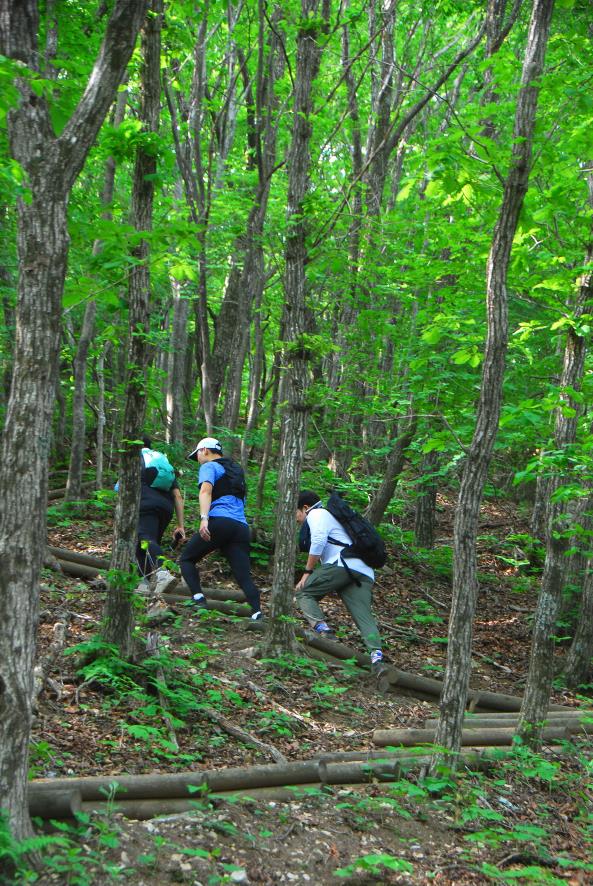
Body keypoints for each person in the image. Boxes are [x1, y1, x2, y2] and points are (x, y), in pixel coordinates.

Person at [295, 490, 384, 671]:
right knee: (364, 616)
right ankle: (377, 657)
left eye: (295, 513)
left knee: (304, 591)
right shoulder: (334, 518)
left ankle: (324, 631)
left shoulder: (317, 513)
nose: (296, 519)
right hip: (364, 570)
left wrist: (307, 572)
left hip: (342, 564)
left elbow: (318, 540)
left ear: (305, 508)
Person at [180, 437, 262, 620]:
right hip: (241, 527)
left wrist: (204, 519)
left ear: (205, 451)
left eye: (198, 454)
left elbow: (205, 491)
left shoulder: (209, 467)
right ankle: (257, 612)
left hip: (220, 521)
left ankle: (199, 599)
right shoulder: (236, 471)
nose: (198, 459)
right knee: (242, 574)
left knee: (186, 559)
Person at [136, 436, 185, 597]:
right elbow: (177, 496)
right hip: (165, 508)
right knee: (143, 546)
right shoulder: (162, 463)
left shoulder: (136, 458)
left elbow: (120, 487)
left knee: (144, 538)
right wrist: (180, 525)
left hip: (145, 503)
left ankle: (162, 573)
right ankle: (143, 586)